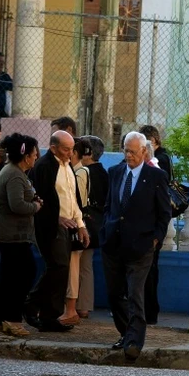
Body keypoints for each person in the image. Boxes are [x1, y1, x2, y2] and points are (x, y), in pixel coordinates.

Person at [102, 132, 172, 360]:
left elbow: (164, 213)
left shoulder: (156, 176)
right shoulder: (115, 173)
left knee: (134, 294)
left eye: (133, 151)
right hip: (114, 243)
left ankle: (134, 342)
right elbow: (108, 206)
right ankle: (126, 332)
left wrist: (155, 239)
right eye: (125, 150)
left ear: (144, 151)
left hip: (141, 246)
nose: (129, 155)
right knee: (114, 295)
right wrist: (106, 228)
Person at [24, 131, 88, 332]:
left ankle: (49, 316)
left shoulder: (67, 166)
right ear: (53, 148)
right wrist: (57, 218)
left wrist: (81, 225)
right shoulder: (44, 167)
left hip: (68, 226)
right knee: (58, 266)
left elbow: (72, 199)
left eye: (72, 149)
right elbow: (40, 199)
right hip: (51, 226)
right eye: (66, 149)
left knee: (61, 269)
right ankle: (33, 303)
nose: (70, 153)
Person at [0, 134, 41, 337]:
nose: (36, 158)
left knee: (11, 277)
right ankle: (13, 319)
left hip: (11, 234)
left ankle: (2, 321)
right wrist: (35, 206)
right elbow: (17, 205)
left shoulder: (15, 172)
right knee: (24, 274)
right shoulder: (15, 174)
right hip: (12, 236)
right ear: (26, 156)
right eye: (34, 154)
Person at [60, 138, 94, 326]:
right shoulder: (70, 171)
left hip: (75, 224)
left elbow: (77, 201)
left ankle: (73, 308)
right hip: (73, 224)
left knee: (76, 268)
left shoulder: (80, 173)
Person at [78, 135, 108, 318]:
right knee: (86, 266)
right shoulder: (104, 173)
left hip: (83, 224)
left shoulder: (84, 173)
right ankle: (84, 305)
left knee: (76, 266)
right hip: (96, 226)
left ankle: (74, 304)